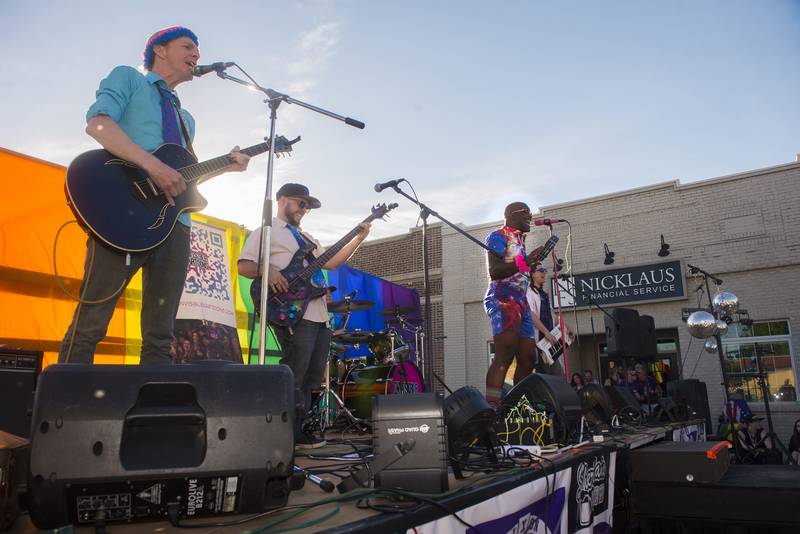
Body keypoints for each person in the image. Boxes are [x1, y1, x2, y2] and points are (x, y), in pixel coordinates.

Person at [59, 26, 250, 364]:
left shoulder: (186, 118)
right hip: (122, 212)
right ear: (160, 50)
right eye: (188, 46)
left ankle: (150, 412)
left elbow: (182, 176)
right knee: (91, 323)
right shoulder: (129, 79)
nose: (196, 55)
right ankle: (62, 409)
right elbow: (98, 124)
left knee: (161, 336)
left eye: (198, 50)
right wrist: (152, 167)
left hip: (175, 225)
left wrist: (226, 166)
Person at [237, 183, 370, 449]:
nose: (305, 209)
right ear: (283, 199)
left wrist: (359, 237)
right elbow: (244, 266)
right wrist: (268, 269)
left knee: (311, 379)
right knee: (294, 374)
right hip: (292, 314)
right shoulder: (266, 231)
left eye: (307, 206)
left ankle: (298, 431)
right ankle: (283, 433)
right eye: (301, 203)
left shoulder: (309, 239)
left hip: (320, 316)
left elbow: (331, 262)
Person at [483, 202, 548, 407]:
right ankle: (492, 410)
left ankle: (516, 408)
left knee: (529, 357)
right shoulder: (497, 236)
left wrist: (530, 263)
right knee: (505, 353)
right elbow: (495, 271)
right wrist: (525, 261)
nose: (529, 216)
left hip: (522, 301)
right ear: (510, 215)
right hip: (503, 297)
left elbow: (519, 269)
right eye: (525, 213)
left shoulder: (520, 239)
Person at [525, 264, 573, 377]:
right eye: (540, 270)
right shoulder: (529, 292)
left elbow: (553, 316)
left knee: (557, 377)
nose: (544, 273)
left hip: (549, 343)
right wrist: (546, 333)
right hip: (540, 342)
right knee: (552, 377)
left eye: (545, 270)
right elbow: (532, 315)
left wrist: (566, 328)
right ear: (532, 274)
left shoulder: (544, 294)